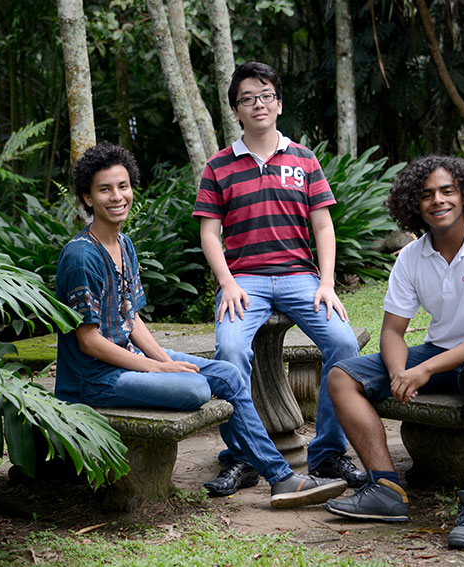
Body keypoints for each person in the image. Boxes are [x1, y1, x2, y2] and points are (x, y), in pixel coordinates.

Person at [54, 142, 348, 509]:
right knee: (194, 389)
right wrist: (159, 367)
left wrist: (163, 358)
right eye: (105, 189)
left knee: (228, 373)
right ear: (87, 196)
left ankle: (281, 478)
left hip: (124, 360)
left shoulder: (123, 244)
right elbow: (89, 342)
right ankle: (281, 476)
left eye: (123, 186)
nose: (117, 196)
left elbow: (131, 319)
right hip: (93, 379)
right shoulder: (81, 255)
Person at [322, 155, 464, 549]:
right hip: (441, 352)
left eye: (447, 191)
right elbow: (393, 330)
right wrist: (401, 370)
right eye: (426, 195)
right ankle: (385, 489)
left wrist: (425, 369)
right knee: (341, 377)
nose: (438, 201)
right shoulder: (411, 257)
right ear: (414, 205)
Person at [193, 61, 365, 498]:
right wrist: (228, 282)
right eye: (247, 98)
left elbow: (323, 227)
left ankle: (327, 452)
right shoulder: (219, 166)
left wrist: (326, 282)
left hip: (299, 278)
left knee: (344, 344)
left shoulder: (304, 159)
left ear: (279, 103)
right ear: (236, 111)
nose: (258, 104)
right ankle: (243, 458)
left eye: (266, 95)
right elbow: (209, 233)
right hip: (245, 280)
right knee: (230, 350)